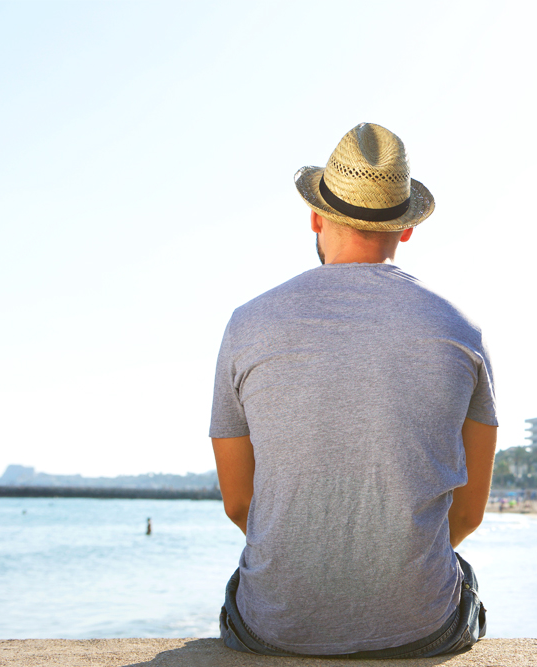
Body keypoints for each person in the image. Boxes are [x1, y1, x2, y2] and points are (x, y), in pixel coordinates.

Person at [209, 123, 497, 658]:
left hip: (276, 628)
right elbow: (467, 516)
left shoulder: (247, 323)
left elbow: (239, 502)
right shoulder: (461, 330)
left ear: (316, 215)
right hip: (419, 627)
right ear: (406, 228)